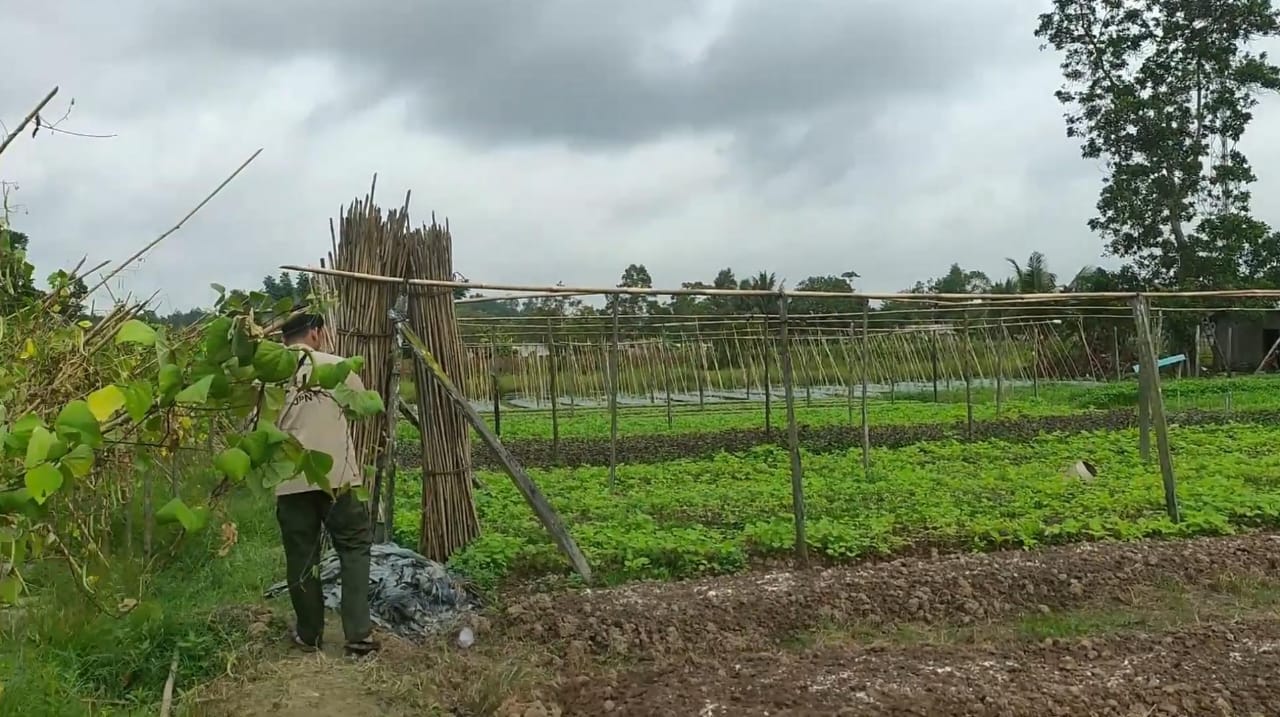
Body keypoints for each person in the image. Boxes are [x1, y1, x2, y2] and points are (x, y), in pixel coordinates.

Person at [274, 310, 378, 656]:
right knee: (353, 548)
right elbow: (362, 409)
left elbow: (253, 426)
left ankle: (309, 634)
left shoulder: (268, 375)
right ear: (316, 333)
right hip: (338, 477)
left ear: (284, 339)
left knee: (301, 555)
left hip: (289, 479)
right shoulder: (337, 365)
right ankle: (359, 635)